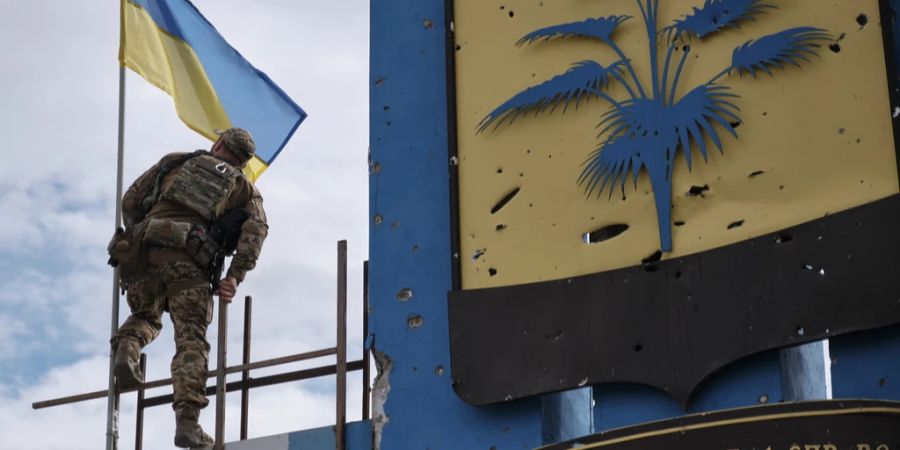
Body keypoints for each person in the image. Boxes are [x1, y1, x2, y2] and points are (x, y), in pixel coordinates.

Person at [107, 128, 268, 449]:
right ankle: (188, 423)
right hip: (187, 259)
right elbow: (255, 233)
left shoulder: (175, 161)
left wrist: (143, 231)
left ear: (218, 144)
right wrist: (235, 276)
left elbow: (131, 200)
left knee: (146, 315)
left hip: (139, 253)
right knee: (191, 339)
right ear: (243, 161)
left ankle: (128, 350)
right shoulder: (246, 191)